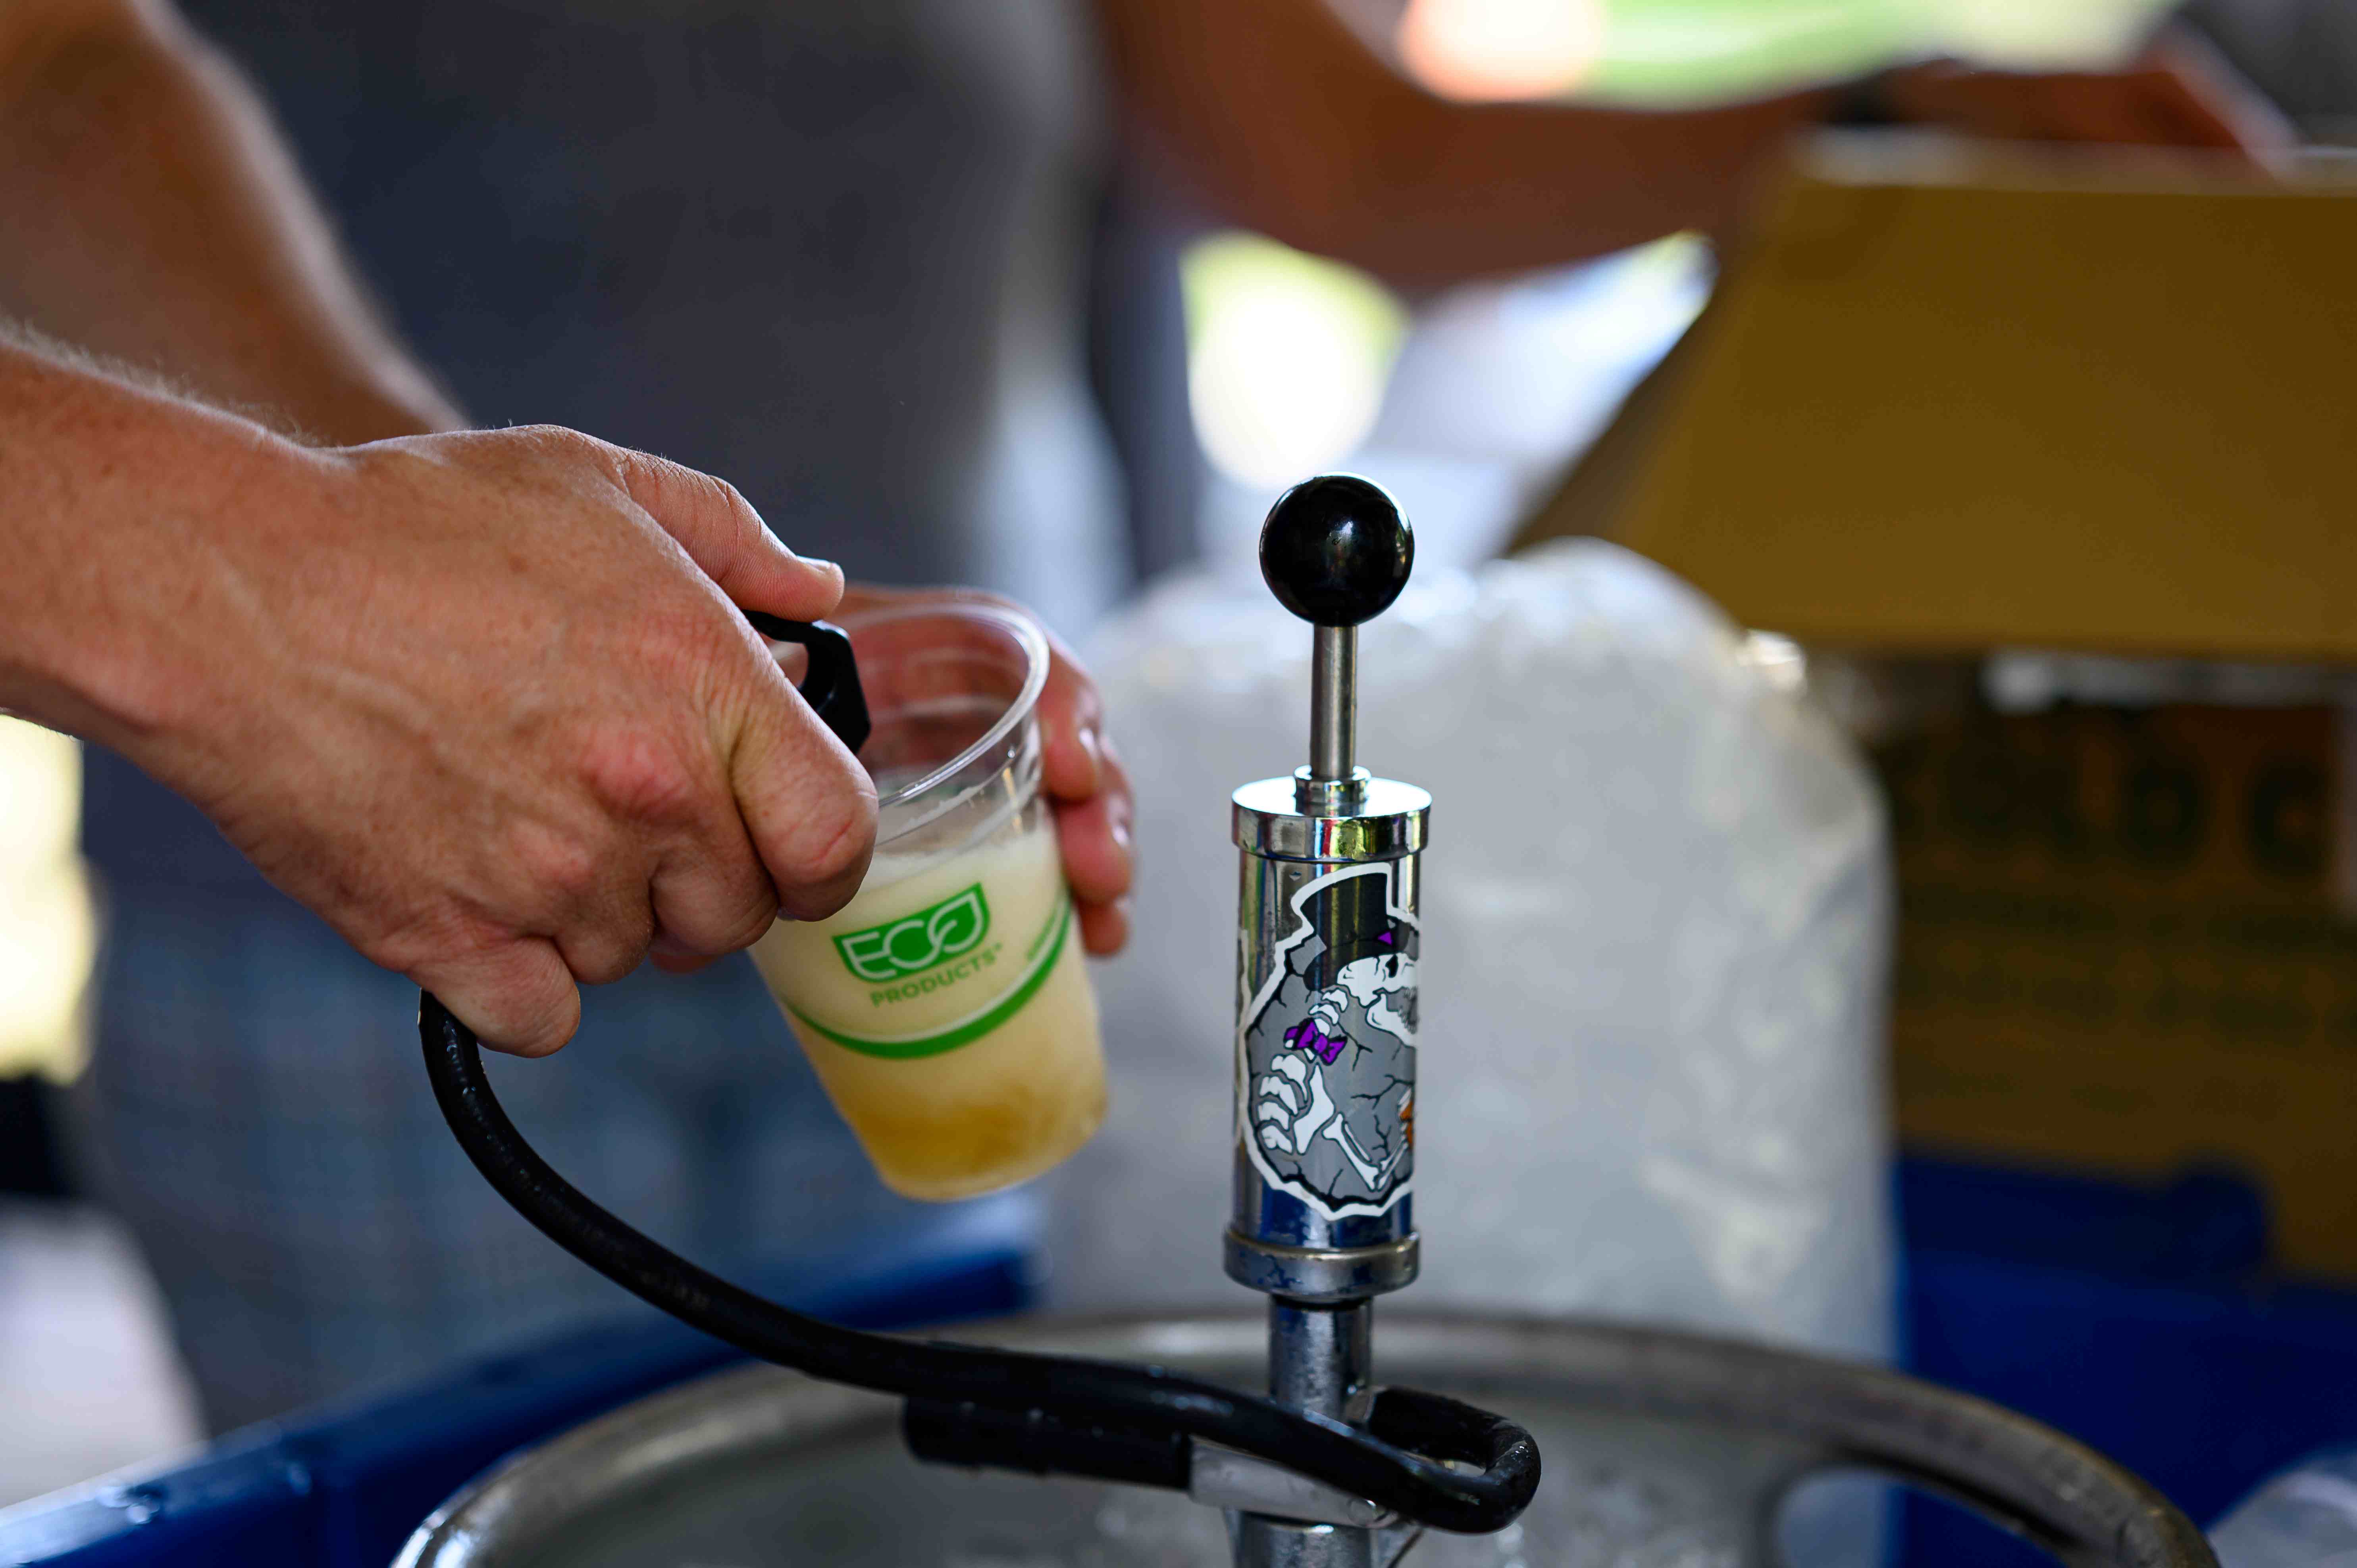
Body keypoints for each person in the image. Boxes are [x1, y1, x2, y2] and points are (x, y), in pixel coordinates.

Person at [4, 0, 2284, 1428]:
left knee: (909, 1480)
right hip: (331, 888)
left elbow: (1350, 154)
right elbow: (57, 66)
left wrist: (1878, 108)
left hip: (900, 801)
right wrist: (322, 596)